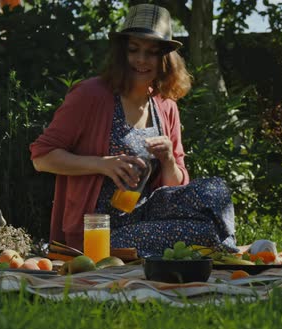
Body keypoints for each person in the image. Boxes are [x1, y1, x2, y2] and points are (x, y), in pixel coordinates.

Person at [29, 4, 238, 257]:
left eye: (151, 52)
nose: (141, 60)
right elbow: (42, 158)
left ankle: (221, 246)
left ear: (164, 59)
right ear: (121, 53)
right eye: (133, 50)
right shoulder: (90, 95)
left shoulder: (165, 105)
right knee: (204, 234)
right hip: (100, 229)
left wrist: (169, 159)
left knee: (216, 189)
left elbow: (177, 184)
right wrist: (102, 164)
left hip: (148, 212)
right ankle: (226, 250)